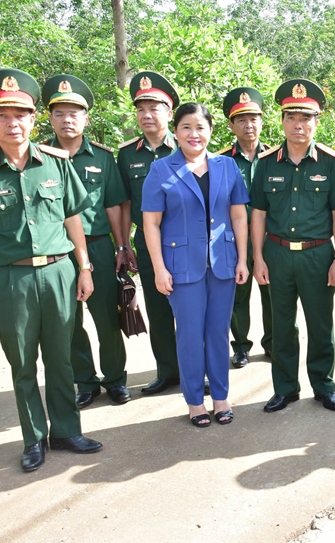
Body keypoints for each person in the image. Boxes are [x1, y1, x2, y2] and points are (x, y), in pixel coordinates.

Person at [0, 68, 102, 472]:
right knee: (22, 363)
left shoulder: (55, 163)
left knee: (61, 358)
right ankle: (34, 438)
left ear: (33, 118)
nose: (11, 122)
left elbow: (73, 218)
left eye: (19, 114)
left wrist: (84, 268)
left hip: (59, 272)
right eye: (2, 115)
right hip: (11, 278)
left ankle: (66, 431)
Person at [251, 79, 335, 413]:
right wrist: (258, 258)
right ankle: (285, 388)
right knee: (281, 326)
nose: (299, 124)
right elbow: (258, 215)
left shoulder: (330, 163)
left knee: (320, 324)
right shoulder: (266, 164)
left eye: (307, 118)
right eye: (292, 117)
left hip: (318, 255)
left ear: (316, 121)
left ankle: (324, 386)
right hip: (278, 254)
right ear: (282, 121)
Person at [141, 102, 250, 427]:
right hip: (181, 266)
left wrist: (242, 259)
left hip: (223, 264)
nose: (194, 134)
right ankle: (194, 402)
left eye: (200, 127)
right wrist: (159, 268)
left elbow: (238, 215)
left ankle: (220, 398)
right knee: (189, 334)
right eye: (186, 127)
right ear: (175, 131)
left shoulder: (227, 166)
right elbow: (151, 224)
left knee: (217, 333)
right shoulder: (161, 170)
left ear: (211, 131)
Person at [40, 74, 131, 409]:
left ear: (86, 118)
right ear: (50, 118)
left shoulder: (103, 158)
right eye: (60, 113)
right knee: (68, 322)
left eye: (74, 113)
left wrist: (122, 247)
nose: (67, 119)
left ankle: (115, 380)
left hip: (97, 246)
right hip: (56, 252)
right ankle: (86, 381)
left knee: (107, 316)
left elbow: (115, 206)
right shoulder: (39, 157)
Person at [117, 72, 181, 395]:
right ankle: (167, 370)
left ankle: (196, 369)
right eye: (141, 109)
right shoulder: (127, 154)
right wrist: (124, 243)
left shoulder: (185, 145)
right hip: (146, 241)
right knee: (157, 308)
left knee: (190, 307)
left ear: (169, 112)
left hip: (184, 240)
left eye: (154, 108)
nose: (146, 115)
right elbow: (125, 202)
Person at [220, 87, 273, 368]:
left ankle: (274, 342)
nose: (248, 125)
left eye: (253, 118)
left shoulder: (275, 157)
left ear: (262, 121)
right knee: (237, 294)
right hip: (235, 240)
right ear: (231, 125)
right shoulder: (221, 161)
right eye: (241, 120)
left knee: (274, 293)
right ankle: (240, 346)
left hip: (270, 238)